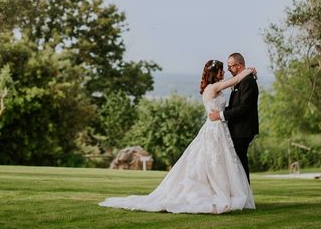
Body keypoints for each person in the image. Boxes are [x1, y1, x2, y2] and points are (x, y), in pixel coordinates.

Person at [98, 60, 256, 214]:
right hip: (214, 129)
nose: (224, 72)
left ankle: (225, 191)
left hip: (220, 129)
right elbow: (234, 80)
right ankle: (216, 192)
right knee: (213, 161)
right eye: (222, 70)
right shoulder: (213, 87)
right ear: (214, 73)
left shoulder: (214, 88)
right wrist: (249, 71)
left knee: (221, 162)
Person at [208, 52, 259, 182]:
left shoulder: (248, 81)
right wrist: (220, 111)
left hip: (243, 130)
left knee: (240, 163)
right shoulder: (241, 80)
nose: (228, 69)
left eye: (230, 66)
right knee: (237, 163)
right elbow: (233, 106)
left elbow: (243, 108)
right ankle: (242, 194)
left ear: (239, 65)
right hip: (237, 129)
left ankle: (245, 195)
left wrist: (220, 115)